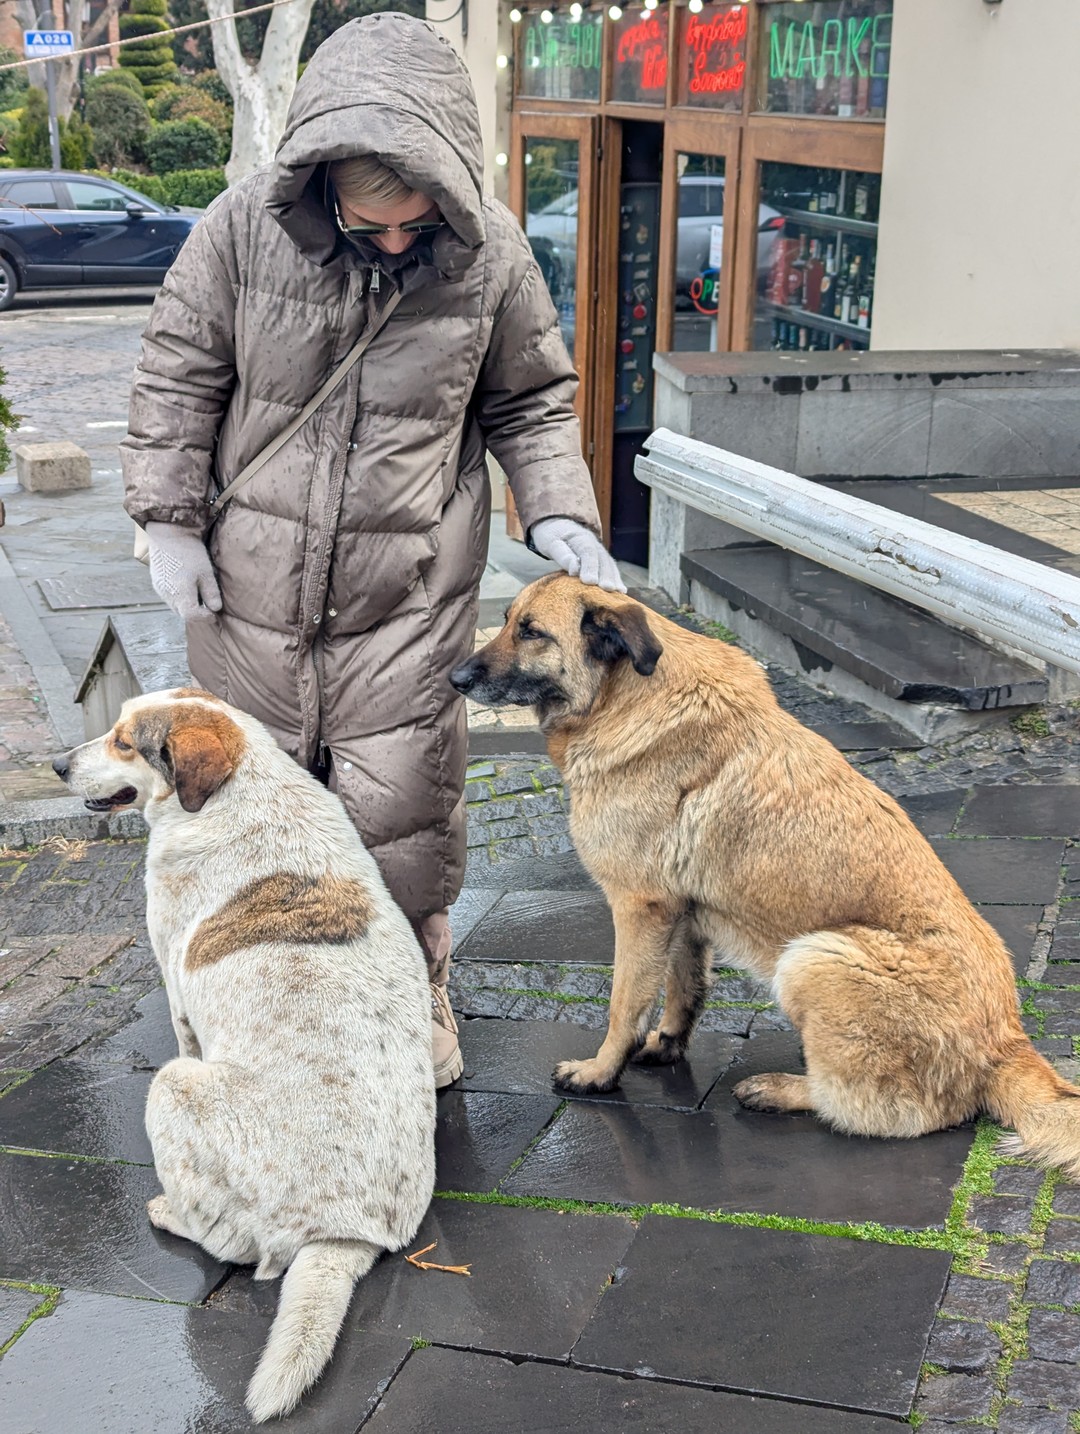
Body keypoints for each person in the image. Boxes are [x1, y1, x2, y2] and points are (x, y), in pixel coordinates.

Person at [121, 13, 623, 1088]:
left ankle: (411, 984)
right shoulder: (237, 232)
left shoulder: (490, 257)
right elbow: (177, 372)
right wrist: (166, 519)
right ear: (321, 184)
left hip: (407, 593)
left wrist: (562, 514)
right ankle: (247, 994)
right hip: (245, 590)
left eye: (416, 223)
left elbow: (533, 402)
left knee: (401, 803)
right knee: (239, 802)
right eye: (370, 223)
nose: (397, 244)